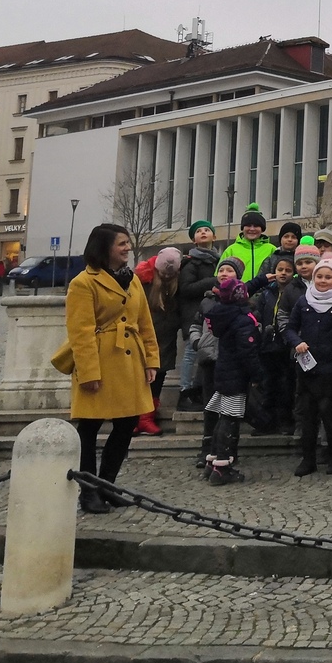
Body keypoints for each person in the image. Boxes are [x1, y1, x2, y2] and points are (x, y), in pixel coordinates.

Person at [61, 223, 160, 514]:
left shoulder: (133, 280)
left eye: (128, 243)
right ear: (104, 248)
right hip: (100, 360)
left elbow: (145, 323)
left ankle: (108, 485)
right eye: (122, 243)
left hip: (130, 362)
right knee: (89, 428)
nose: (128, 248)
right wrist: (89, 372)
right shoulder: (83, 282)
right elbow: (80, 332)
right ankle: (88, 491)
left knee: (127, 424)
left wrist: (151, 360)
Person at [284, 255, 332, 476]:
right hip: (307, 366)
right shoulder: (303, 301)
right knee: (307, 413)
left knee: (328, 411)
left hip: (330, 366)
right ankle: (308, 459)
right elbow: (289, 328)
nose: (323, 280)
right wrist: (297, 342)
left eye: (328, 277)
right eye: (320, 277)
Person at [201, 266, 258, 485]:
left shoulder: (222, 314)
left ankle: (212, 460)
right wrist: (257, 374)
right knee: (230, 418)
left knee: (221, 415)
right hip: (236, 375)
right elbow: (248, 352)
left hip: (224, 372)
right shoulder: (242, 319)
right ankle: (222, 467)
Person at [251, 251, 304, 436]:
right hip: (267, 346)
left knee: (286, 385)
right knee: (268, 384)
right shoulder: (267, 293)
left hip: (286, 345)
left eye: (288, 270)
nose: (283, 273)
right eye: (280, 269)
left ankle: (285, 421)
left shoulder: (296, 292)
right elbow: (258, 315)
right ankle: (266, 422)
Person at [137, 246, 182, 436]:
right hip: (145, 335)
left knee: (158, 377)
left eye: (170, 275)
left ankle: (147, 417)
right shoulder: (143, 280)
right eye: (163, 273)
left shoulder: (179, 280)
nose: (165, 277)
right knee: (139, 379)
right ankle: (136, 418)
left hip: (166, 336)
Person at [176, 220, 221, 410]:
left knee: (207, 353)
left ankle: (198, 391)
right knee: (190, 353)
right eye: (198, 231)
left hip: (210, 314)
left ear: (214, 237)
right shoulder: (190, 263)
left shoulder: (218, 261)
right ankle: (184, 392)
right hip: (192, 315)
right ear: (194, 240)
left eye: (207, 230)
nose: (203, 233)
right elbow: (186, 289)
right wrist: (212, 281)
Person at [220, 205, 276, 284]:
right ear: (242, 228)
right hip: (237, 291)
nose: (252, 229)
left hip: (265, 291)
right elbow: (219, 275)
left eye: (256, 226)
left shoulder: (272, 249)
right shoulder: (230, 250)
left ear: (262, 229)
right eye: (248, 225)